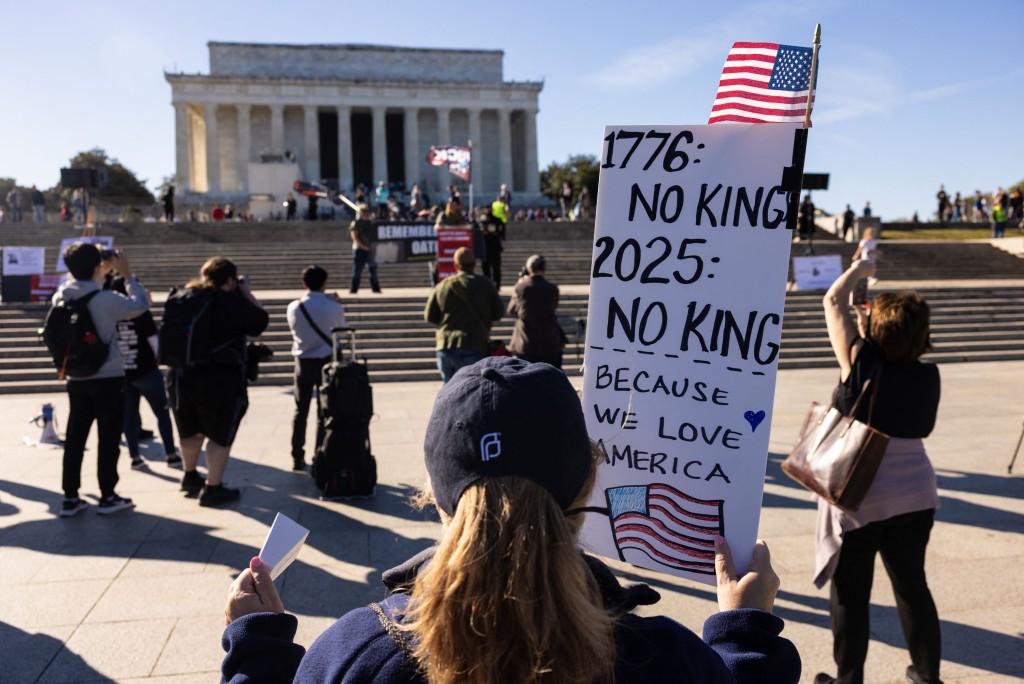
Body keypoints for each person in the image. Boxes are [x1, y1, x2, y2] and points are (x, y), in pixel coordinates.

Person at [221, 357, 801, 684]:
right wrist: (744, 629)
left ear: (435, 496)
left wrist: (258, 651)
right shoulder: (665, 660)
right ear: (588, 483)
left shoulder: (358, 654)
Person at [814, 259, 942, 684]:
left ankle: (849, 680)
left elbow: (831, 300)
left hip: (860, 494)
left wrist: (859, 267)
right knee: (912, 588)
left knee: (851, 593)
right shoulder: (928, 375)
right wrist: (867, 315)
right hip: (916, 494)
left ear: (875, 329)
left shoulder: (861, 364)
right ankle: (927, 675)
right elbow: (882, 337)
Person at [53, 244, 149, 517]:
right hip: (107, 376)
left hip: (76, 376)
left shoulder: (61, 295)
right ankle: (108, 495)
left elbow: (83, 289)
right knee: (108, 437)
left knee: (75, 437)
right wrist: (127, 275)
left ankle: (70, 497)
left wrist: (97, 271)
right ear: (97, 267)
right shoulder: (107, 299)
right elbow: (140, 305)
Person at [167, 257, 269, 507]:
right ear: (231, 280)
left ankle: (190, 476)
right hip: (219, 379)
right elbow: (260, 321)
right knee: (219, 435)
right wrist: (246, 293)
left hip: (180, 376)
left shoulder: (185, 296)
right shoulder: (231, 301)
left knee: (189, 430)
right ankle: (213, 488)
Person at [104, 272, 179, 470]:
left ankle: (135, 457)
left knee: (129, 416)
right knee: (162, 413)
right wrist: (159, 360)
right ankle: (171, 454)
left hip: (123, 372)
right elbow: (153, 340)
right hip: (146, 369)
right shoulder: (139, 312)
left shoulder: (109, 313)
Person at [286, 265, 347, 472]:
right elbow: (342, 333)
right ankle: (319, 453)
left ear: (304, 283)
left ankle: (297, 455)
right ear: (324, 283)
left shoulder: (294, 307)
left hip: (302, 363)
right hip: (326, 363)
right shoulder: (334, 307)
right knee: (324, 412)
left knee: (300, 410)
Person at [424, 247, 503, 383]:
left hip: (446, 345)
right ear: (474, 264)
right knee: (471, 391)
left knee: (449, 392)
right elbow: (498, 313)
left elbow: (430, 316)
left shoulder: (442, 286)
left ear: (455, 265)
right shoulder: (485, 284)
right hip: (474, 343)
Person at [507, 255, 566, 369]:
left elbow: (512, 310)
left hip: (527, 343)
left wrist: (519, 284)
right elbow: (553, 307)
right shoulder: (552, 288)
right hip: (551, 342)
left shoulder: (520, 288)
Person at [349, 203, 381, 294]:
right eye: (363, 211)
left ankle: (376, 288)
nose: (365, 213)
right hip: (359, 249)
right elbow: (355, 237)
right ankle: (354, 289)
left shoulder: (371, 222)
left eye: (366, 211)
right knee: (357, 270)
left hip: (370, 250)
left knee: (373, 270)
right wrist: (364, 247)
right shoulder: (356, 222)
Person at [482, 197, 507, 288]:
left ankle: (497, 284)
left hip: (495, 246)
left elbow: (501, 231)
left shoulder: (497, 220)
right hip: (485, 246)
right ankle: (487, 283)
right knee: (486, 267)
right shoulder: (483, 221)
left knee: (496, 267)